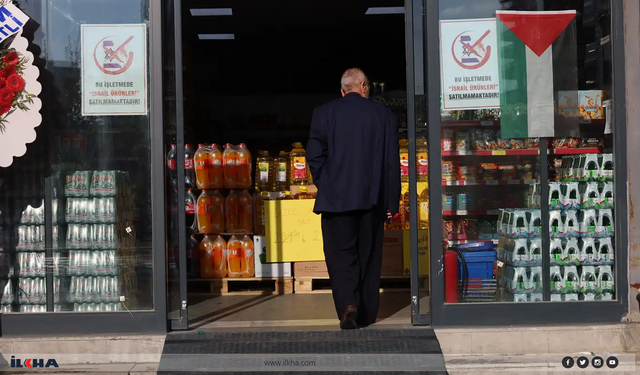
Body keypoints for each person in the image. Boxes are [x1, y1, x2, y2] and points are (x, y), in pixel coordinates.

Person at [307, 68, 400, 329]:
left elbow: (314, 155)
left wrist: (326, 185)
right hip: (373, 199)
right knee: (369, 256)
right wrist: (392, 202)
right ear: (364, 86)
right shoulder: (384, 115)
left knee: (339, 255)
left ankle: (348, 305)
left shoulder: (324, 113)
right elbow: (392, 164)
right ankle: (367, 314)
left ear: (343, 90)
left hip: (336, 200)